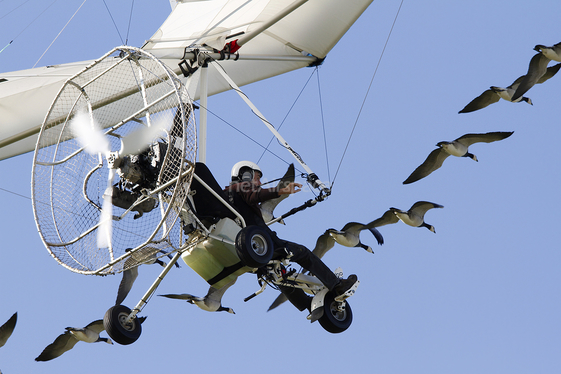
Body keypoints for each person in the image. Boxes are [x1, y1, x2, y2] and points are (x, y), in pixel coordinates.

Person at [224, 161, 358, 307]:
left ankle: (307, 304)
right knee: (303, 253)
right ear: (246, 174)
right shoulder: (240, 187)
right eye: (257, 177)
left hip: (246, 250)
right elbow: (253, 196)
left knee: (276, 273)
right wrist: (281, 191)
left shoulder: (226, 196)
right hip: (260, 242)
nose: (260, 182)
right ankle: (337, 285)